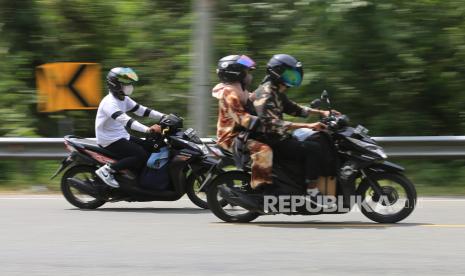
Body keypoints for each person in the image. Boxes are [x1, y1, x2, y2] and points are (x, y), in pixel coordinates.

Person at [253, 54, 335, 200]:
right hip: (272, 140)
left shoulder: (275, 90)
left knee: (315, 139)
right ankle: (312, 191)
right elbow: (272, 124)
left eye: (294, 75)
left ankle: (300, 182)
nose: (293, 78)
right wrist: (309, 125)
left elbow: (295, 109)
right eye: (290, 74)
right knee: (313, 148)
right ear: (277, 73)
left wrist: (322, 112)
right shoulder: (266, 94)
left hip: (279, 137)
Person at [94, 67, 165, 188]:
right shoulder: (109, 102)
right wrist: (148, 129)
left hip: (121, 135)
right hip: (109, 140)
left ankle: (136, 177)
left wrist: (164, 116)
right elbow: (127, 121)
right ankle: (107, 170)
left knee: (151, 147)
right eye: (125, 83)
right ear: (115, 84)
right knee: (140, 155)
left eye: (129, 83)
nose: (129, 86)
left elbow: (141, 110)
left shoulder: (123, 98)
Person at [212, 54, 274, 190]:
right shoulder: (229, 93)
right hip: (231, 138)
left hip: (243, 134)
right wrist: (267, 124)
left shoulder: (240, 89)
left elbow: (254, 100)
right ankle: (260, 189)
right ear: (237, 74)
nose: (249, 76)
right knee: (264, 150)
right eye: (247, 72)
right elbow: (243, 119)